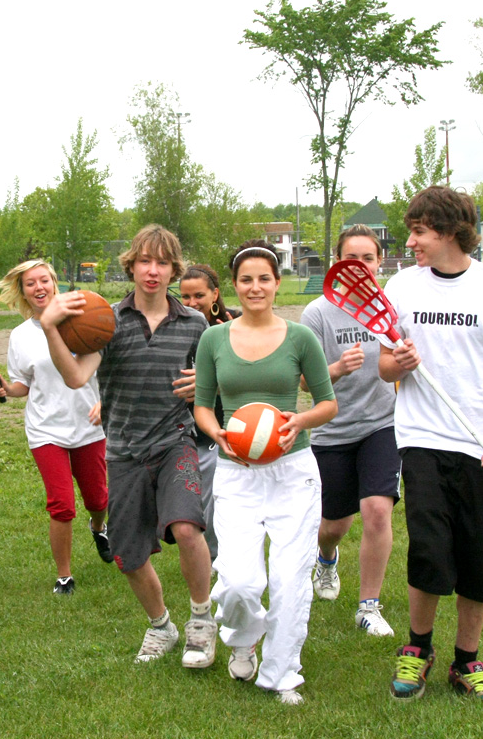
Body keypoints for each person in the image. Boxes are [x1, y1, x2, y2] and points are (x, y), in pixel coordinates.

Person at [380, 186, 483, 701]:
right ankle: (417, 649)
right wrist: (398, 364)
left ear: (451, 231)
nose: (411, 242)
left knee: (482, 555)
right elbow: (386, 369)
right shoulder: (402, 287)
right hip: (422, 440)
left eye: (420, 231)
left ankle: (466, 662)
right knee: (430, 550)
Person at [40, 225, 216, 667]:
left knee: (188, 528)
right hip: (122, 449)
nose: (153, 271)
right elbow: (77, 377)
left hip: (176, 442)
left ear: (175, 269)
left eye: (162, 263)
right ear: (131, 265)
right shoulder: (108, 321)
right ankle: (162, 627)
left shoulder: (195, 323)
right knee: (128, 554)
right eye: (144, 261)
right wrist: (49, 328)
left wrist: (206, 389)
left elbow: (216, 383)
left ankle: (201, 622)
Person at [194, 240, 338, 705]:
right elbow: (201, 405)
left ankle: (282, 674)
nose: (255, 287)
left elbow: (328, 402)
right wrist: (217, 433)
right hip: (236, 473)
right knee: (239, 580)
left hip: (292, 470)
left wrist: (298, 421)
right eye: (246, 279)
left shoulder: (301, 338)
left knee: (290, 578)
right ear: (232, 286)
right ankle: (244, 638)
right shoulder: (213, 339)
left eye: (264, 278)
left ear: (277, 284)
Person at [300, 225, 401, 637]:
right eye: (350, 259)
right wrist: (338, 368)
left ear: (379, 263)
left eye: (368, 259)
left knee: (378, 509)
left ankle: (368, 606)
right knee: (333, 524)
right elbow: (306, 384)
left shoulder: (393, 308)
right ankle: (326, 558)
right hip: (332, 430)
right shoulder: (318, 312)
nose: (360, 267)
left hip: (383, 424)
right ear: (336, 264)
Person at [0, 259, 111, 595]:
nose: (38, 288)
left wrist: (106, 401)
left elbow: (106, 367)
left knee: (97, 498)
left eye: (44, 280)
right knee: (61, 503)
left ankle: (99, 528)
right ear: (23, 291)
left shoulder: (85, 319)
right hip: (45, 430)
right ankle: (64, 575)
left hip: (89, 426)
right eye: (30, 283)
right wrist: (7, 390)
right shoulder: (20, 336)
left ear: (54, 283)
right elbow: (23, 385)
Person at [179, 263, 240, 562]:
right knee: (200, 502)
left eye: (199, 295)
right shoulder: (175, 327)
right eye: (185, 297)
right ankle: (215, 555)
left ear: (215, 293)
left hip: (228, 424)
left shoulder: (235, 323)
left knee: (220, 498)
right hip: (188, 427)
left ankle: (221, 557)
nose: (192, 303)